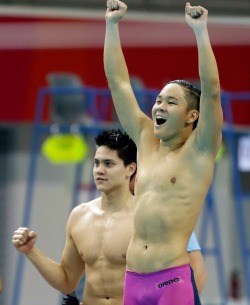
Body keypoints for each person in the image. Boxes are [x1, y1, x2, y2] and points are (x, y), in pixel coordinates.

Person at [104, 1, 223, 305]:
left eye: (171, 103)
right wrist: (112, 25)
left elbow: (211, 90)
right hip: (132, 280)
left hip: (171, 280)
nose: (158, 107)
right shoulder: (146, 139)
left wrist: (200, 31)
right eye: (158, 100)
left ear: (192, 116)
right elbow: (119, 84)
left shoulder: (200, 150)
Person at [12, 129, 206, 305]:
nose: (99, 170)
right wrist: (31, 251)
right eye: (96, 163)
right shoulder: (79, 216)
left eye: (109, 164)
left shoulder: (149, 217)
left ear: (130, 169)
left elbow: (186, 275)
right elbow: (66, 281)